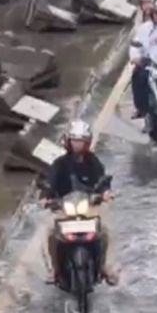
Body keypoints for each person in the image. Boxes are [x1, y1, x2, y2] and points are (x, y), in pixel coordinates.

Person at [45, 120, 118, 286]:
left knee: (105, 230)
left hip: (89, 207)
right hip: (65, 209)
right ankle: (54, 269)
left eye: (81, 141)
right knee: (50, 232)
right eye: (75, 140)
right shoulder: (60, 163)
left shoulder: (93, 162)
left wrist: (105, 193)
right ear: (68, 142)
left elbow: (102, 180)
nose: (78, 144)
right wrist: (46, 197)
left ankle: (105, 266)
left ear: (87, 142)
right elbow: (50, 182)